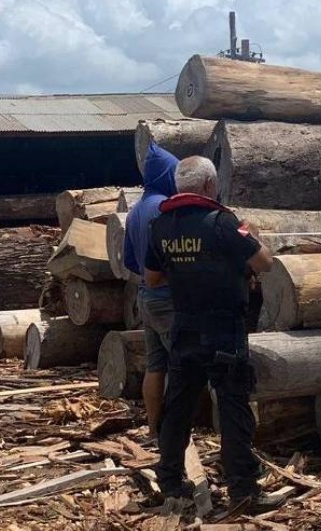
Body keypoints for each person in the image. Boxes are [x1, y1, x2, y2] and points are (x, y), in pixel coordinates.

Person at [144, 156, 279, 511]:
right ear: (208, 186)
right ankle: (244, 490)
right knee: (234, 407)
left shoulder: (162, 226)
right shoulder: (223, 223)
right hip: (224, 328)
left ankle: (171, 482)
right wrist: (249, 236)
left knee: (178, 407)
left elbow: (152, 277)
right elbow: (264, 263)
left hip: (184, 326)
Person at [124, 141, 179, 442]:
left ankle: (154, 428)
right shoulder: (165, 210)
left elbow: (130, 261)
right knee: (186, 363)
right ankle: (177, 432)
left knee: (156, 364)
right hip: (169, 298)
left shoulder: (135, 213)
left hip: (146, 297)